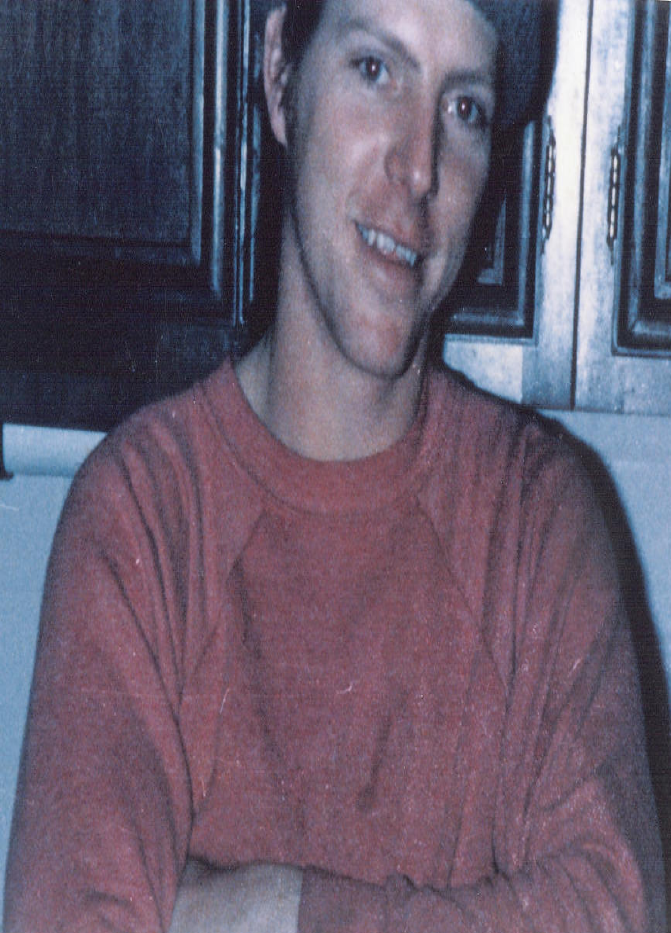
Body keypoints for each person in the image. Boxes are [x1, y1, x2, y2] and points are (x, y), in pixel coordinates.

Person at [4, 0, 666, 930]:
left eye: (464, 109)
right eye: (375, 70)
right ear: (281, 73)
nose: (419, 166)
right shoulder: (143, 514)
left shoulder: (536, 519)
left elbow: (619, 911)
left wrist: (273, 909)